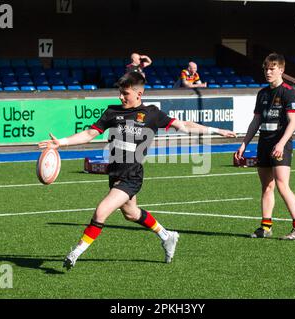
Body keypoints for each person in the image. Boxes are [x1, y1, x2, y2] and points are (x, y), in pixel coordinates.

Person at [39, 72, 236, 270]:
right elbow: (90, 134)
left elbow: (184, 125)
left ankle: (75, 253)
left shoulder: (152, 113)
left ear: (138, 93)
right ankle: (167, 236)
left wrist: (216, 131)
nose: (121, 97)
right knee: (131, 213)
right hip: (115, 172)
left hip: (132, 176)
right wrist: (61, 142)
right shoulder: (112, 112)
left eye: (125, 93)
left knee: (101, 212)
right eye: (120, 93)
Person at [234, 53, 295, 240]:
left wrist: (282, 144)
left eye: (272, 69)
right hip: (264, 144)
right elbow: (256, 121)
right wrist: (243, 144)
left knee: (282, 185)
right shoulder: (262, 94)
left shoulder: (289, 92)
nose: (268, 72)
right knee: (266, 187)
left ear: (281, 70)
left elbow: (292, 122)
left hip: (281, 144)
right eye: (266, 68)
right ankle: (265, 227)